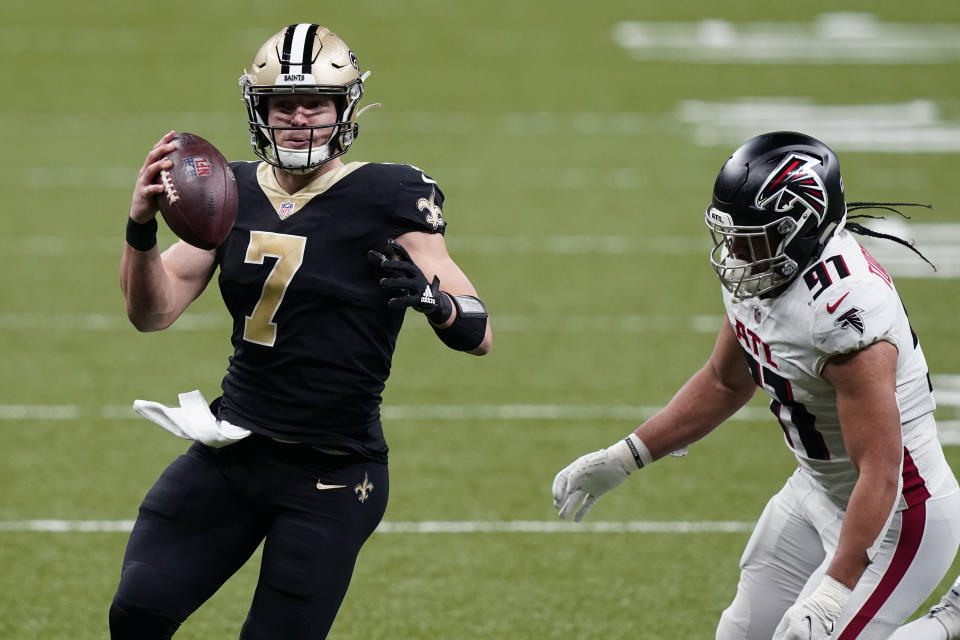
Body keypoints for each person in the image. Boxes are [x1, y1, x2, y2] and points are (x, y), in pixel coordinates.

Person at [112, 23, 491, 639]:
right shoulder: (227, 192)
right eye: (281, 104)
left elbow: (478, 328)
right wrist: (140, 227)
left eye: (314, 102)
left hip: (334, 471)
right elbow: (150, 312)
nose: (297, 118)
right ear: (258, 111)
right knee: (137, 613)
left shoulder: (389, 193)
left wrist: (436, 304)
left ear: (345, 108)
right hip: (233, 449)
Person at [551, 131, 960, 639]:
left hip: (897, 516)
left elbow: (881, 468)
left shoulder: (844, 310)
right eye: (734, 235)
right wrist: (624, 457)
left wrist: (833, 591)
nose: (737, 251)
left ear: (800, 229)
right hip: (816, 488)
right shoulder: (766, 271)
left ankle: (946, 626)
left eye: (753, 236)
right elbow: (725, 383)